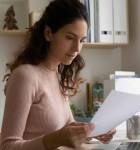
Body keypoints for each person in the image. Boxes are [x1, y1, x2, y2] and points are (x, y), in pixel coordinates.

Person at [1, 0, 116, 150]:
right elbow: (7, 146)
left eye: (82, 40)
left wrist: (94, 131)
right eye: (69, 38)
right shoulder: (25, 76)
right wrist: (53, 140)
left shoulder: (57, 74)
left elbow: (68, 128)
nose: (77, 48)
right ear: (48, 33)